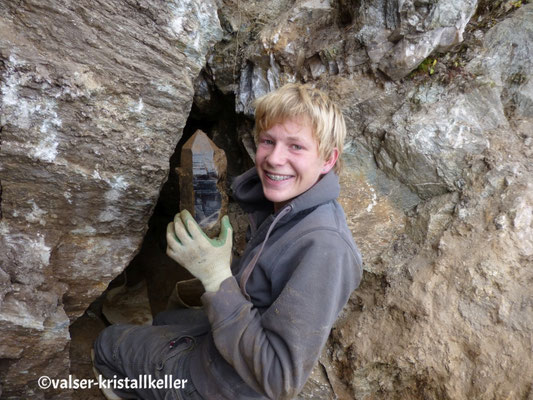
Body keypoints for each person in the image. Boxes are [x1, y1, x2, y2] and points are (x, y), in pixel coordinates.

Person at [92, 83, 363, 400]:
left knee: (108, 345)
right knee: (167, 318)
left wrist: (216, 276)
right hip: (225, 351)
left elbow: (279, 380)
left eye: (296, 147)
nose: (275, 158)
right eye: (268, 141)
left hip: (222, 386)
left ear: (328, 160)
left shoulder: (325, 248)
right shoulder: (286, 210)